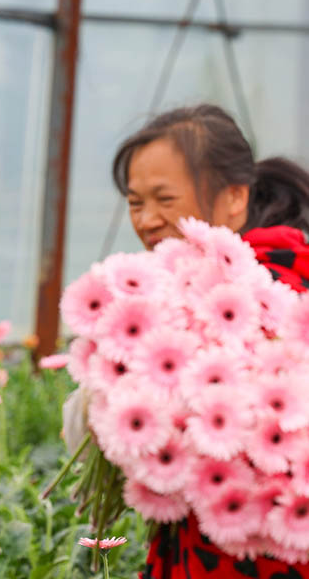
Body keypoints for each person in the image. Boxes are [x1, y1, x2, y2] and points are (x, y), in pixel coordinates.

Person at [111, 104, 309, 578]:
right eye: (137, 202)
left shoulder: (269, 292)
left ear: (235, 198)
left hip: (258, 549)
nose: (148, 219)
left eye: (165, 198)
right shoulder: (186, 286)